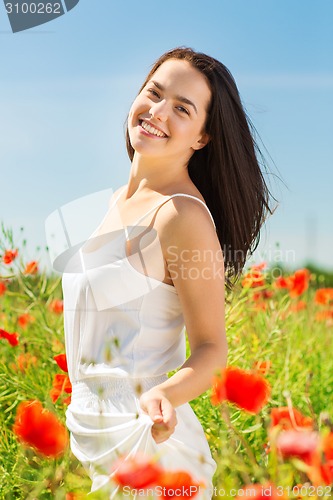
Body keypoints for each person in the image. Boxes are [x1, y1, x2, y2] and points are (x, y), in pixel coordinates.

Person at [61, 47, 272, 498]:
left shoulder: (181, 216)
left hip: (147, 443)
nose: (157, 112)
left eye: (182, 108)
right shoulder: (116, 201)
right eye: (154, 93)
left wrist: (166, 396)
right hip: (87, 433)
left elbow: (212, 349)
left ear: (202, 138)